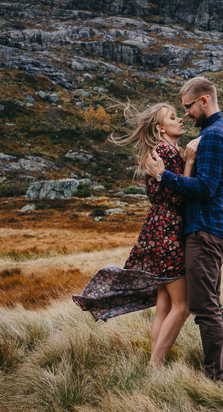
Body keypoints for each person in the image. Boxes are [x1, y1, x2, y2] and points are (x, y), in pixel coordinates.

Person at [73, 102, 196, 367]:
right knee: (182, 306)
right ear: (161, 128)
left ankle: (156, 364)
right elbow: (179, 195)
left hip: (156, 228)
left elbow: (159, 195)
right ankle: (156, 366)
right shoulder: (168, 152)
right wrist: (191, 162)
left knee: (164, 304)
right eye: (173, 117)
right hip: (170, 230)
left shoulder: (157, 152)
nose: (180, 120)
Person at [145, 77, 223, 383]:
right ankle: (221, 368)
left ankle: (216, 377)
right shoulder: (215, 133)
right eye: (179, 110)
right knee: (209, 304)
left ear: (204, 101)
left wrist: (165, 178)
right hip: (208, 228)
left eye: (187, 107)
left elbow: (206, 188)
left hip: (205, 230)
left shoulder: (211, 136)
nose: (186, 114)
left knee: (204, 307)